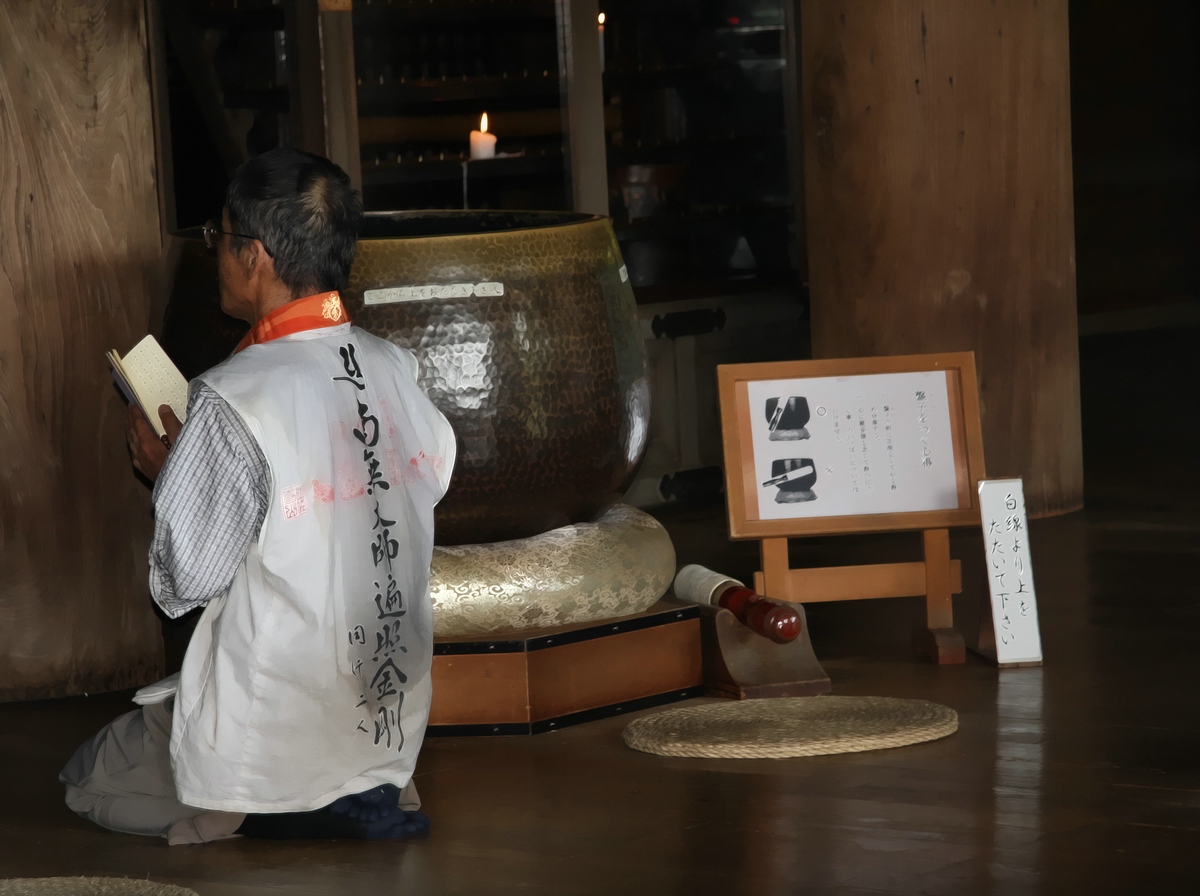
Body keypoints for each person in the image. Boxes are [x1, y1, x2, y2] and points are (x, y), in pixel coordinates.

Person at [60, 148, 456, 844]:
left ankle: (254, 808)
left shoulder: (234, 397)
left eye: (219, 238)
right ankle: (348, 792)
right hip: (384, 729)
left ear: (257, 256)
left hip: (275, 730)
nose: (215, 254)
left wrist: (170, 476)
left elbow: (184, 583)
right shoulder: (399, 368)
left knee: (91, 773)